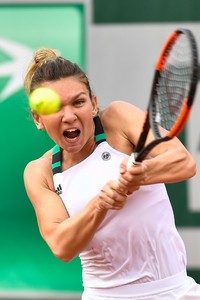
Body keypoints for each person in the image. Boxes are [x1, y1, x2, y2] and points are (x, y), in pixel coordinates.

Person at [23, 48, 200, 300]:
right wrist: (101, 203)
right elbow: (62, 246)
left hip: (177, 291)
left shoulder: (119, 118)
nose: (69, 116)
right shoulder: (39, 172)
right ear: (38, 119)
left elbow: (184, 163)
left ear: (93, 104)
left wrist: (142, 173)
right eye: (55, 108)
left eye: (78, 102)